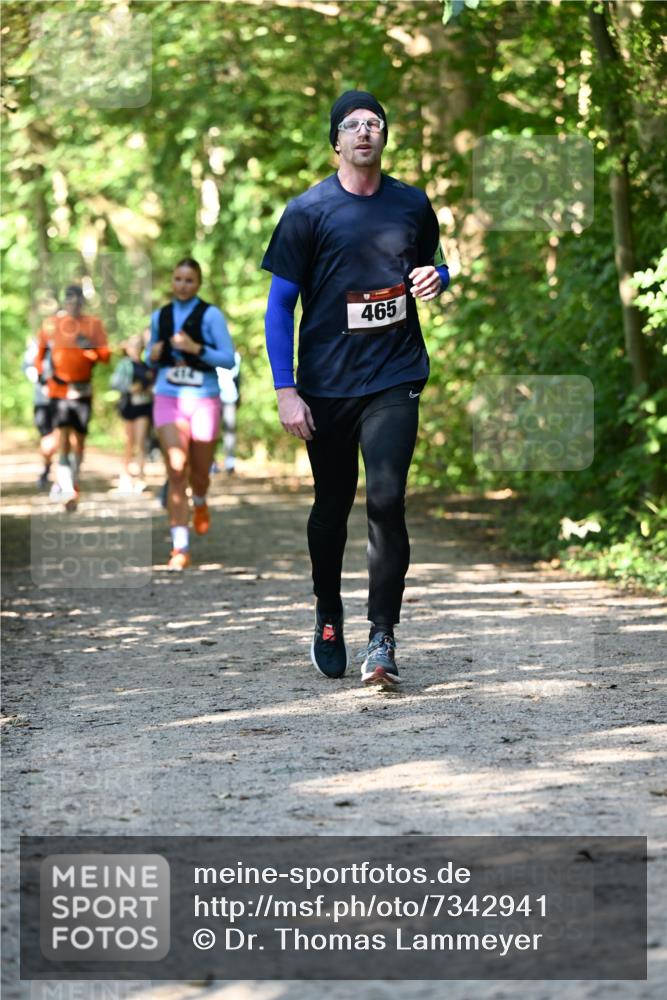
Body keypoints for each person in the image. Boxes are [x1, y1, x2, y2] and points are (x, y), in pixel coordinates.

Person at [262, 90, 449, 688]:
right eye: (353, 125)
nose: (366, 131)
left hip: (394, 374)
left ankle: (383, 637)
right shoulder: (307, 212)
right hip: (325, 385)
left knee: (387, 500)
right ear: (337, 142)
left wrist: (435, 277)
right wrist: (286, 390)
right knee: (333, 503)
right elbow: (279, 307)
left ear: (384, 137)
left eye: (375, 123)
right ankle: (326, 613)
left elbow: (436, 265)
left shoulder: (412, 205)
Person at [148, 257, 235, 570]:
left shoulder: (210, 315)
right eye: (178, 279)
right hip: (168, 396)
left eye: (189, 280)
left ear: (198, 284)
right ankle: (180, 547)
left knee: (199, 474)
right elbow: (150, 356)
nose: (182, 285)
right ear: (172, 282)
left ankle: (200, 501)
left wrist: (195, 348)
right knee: (175, 468)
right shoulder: (162, 316)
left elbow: (228, 359)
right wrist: (152, 354)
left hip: (204, 398)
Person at [36, 285, 111, 509]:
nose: (73, 305)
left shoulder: (93, 324)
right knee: (63, 437)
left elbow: (105, 356)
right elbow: (39, 356)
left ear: (83, 303)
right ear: (64, 302)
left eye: (78, 302)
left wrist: (89, 347)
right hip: (58, 390)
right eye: (69, 301)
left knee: (79, 440)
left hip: (82, 390)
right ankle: (67, 486)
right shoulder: (51, 324)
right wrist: (42, 375)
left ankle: (73, 480)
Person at [110, 331, 154, 493]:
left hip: (143, 406)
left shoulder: (146, 365)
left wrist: (147, 389)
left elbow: (153, 385)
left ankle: (141, 478)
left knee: (141, 442)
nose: (136, 349)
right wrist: (130, 388)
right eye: (133, 346)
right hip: (129, 406)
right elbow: (115, 383)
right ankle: (126, 476)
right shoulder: (124, 365)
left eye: (138, 346)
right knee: (129, 443)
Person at [22, 336, 57, 489]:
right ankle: (46, 468)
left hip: (63, 401)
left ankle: (63, 474)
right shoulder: (37, 346)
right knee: (47, 437)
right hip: (42, 401)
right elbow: (28, 367)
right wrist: (40, 379)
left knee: (60, 438)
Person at [212, 350, 241, 474]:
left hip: (229, 397)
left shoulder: (235, 355)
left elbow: (238, 378)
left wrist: (238, 397)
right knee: (211, 431)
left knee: (229, 431)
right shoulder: (210, 353)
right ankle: (211, 462)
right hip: (213, 397)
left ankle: (230, 462)